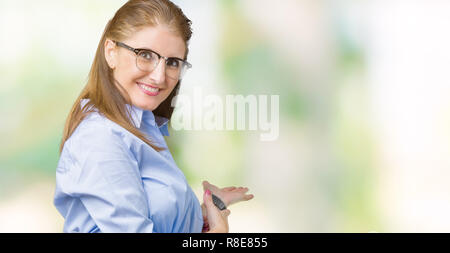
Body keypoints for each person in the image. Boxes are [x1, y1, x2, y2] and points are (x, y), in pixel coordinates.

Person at [53, 0, 253, 233]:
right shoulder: (100, 139)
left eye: (172, 62)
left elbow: (152, 220)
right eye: (145, 55)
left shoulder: (142, 124)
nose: (159, 77)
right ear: (111, 52)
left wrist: (203, 213)